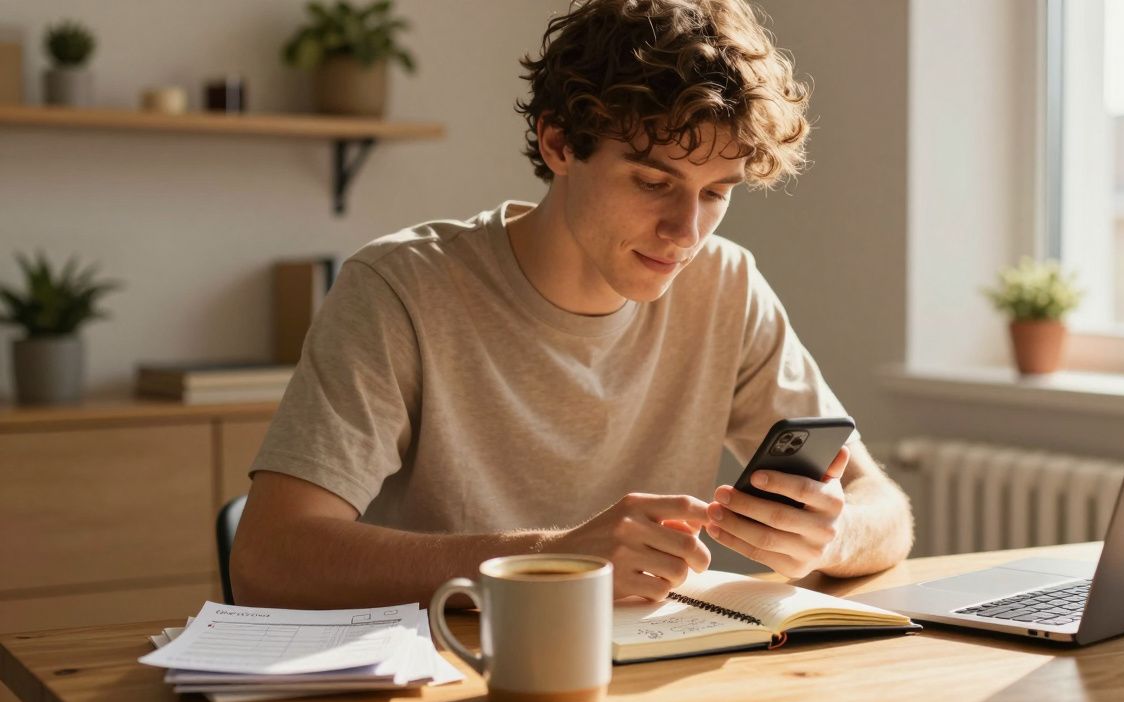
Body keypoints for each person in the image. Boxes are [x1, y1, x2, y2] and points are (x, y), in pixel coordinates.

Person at [230, 0, 912, 609]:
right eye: (653, 182)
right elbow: (269, 558)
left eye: (715, 193)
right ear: (558, 143)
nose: (686, 232)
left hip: (645, 672)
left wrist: (832, 535)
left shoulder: (726, 285)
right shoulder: (400, 289)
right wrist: (549, 562)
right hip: (448, 675)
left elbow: (885, 508)